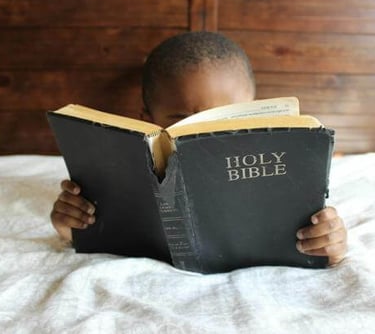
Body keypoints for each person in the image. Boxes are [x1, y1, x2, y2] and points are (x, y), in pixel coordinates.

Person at [50, 31, 347, 266]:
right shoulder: (122, 174)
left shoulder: (283, 170)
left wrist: (328, 243)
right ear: (147, 121)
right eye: (183, 120)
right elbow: (97, 230)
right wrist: (74, 226)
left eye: (228, 117)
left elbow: (320, 240)